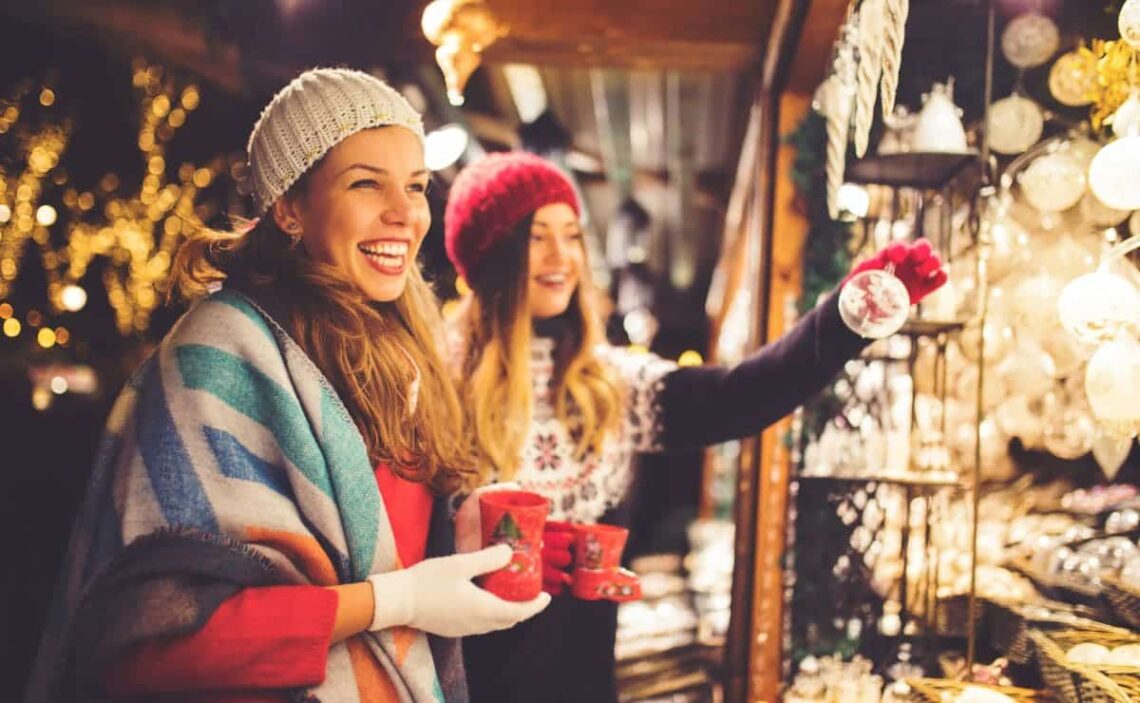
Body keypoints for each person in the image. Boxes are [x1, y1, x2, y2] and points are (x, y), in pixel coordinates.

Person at [25, 68, 548, 703]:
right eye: (365, 183)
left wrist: (463, 535)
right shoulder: (218, 359)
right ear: (289, 207)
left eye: (415, 186)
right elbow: (156, 647)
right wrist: (399, 599)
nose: (404, 212)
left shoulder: (406, 354)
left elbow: (394, 541)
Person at [443, 151, 947, 703]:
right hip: (462, 686)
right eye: (537, 237)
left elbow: (737, 397)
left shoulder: (610, 382)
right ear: (491, 252)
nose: (562, 256)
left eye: (572, 234)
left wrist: (843, 320)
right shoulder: (436, 384)